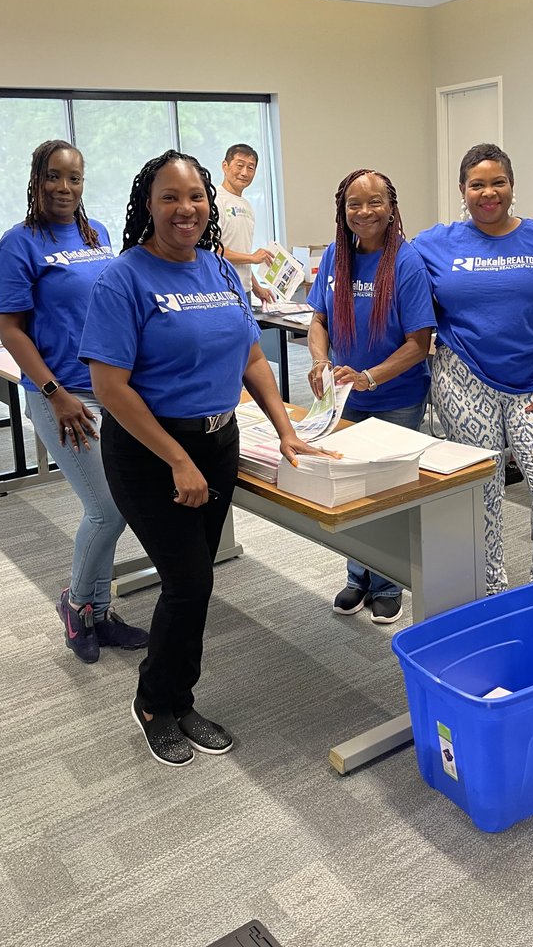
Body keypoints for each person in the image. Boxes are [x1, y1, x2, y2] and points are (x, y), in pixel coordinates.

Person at [80, 149, 326, 767]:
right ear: (148, 204)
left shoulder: (218, 269)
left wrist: (286, 428)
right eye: (170, 197)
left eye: (195, 196)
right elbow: (110, 388)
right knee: (189, 582)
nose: (185, 208)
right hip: (149, 451)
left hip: (218, 443)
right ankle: (153, 703)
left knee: (197, 581)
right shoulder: (123, 278)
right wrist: (176, 460)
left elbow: (251, 357)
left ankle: (179, 697)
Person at [0, 140, 148, 663]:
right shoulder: (17, 244)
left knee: (115, 504)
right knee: (106, 509)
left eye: (74, 178)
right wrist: (54, 394)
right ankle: (77, 605)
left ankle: (100, 613)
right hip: (60, 395)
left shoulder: (95, 233)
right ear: (36, 179)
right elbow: (11, 329)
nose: (64, 187)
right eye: (54, 177)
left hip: (109, 390)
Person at [413, 143, 533, 595]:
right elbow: (390, 272)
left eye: (498, 182)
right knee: (482, 490)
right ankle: (491, 590)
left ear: (512, 186)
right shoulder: (435, 242)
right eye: (477, 184)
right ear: (462, 190)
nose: (488, 193)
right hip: (463, 378)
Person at [307, 169, 435, 625]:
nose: (364, 212)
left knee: (385, 491)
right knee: (351, 489)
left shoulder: (406, 262)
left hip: (396, 396)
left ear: (391, 207)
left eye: (374, 202)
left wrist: (370, 378)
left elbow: (419, 343)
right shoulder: (335, 256)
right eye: (354, 204)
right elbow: (318, 319)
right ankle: (357, 575)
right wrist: (320, 361)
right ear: (342, 211)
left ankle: (386, 583)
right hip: (346, 396)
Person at [215, 143, 274, 303]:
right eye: (239, 165)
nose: (244, 173)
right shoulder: (215, 200)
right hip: (222, 289)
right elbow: (213, 250)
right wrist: (252, 257)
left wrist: (256, 288)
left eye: (251, 168)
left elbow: (242, 255)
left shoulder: (246, 205)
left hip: (244, 289)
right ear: (225, 166)